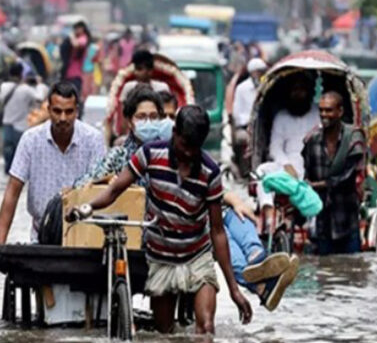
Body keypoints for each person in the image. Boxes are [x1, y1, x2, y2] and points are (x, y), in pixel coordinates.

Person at [76, 87, 299, 311]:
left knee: (234, 216)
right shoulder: (125, 155)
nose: (149, 123)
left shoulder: (190, 152)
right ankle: (260, 282)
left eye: (154, 117)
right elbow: (91, 184)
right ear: (130, 121)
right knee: (215, 230)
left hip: (194, 217)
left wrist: (233, 199)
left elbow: (210, 184)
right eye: (142, 117)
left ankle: (257, 257)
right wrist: (103, 186)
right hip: (160, 228)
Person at [67, 106, 253, 335]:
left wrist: (234, 289)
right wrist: (88, 207)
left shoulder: (210, 172)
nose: (188, 154)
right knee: (164, 334)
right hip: (161, 256)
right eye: (184, 145)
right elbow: (115, 189)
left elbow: (217, 232)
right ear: (174, 133)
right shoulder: (150, 154)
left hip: (197, 256)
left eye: (194, 149)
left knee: (206, 327)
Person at [0, 82, 106, 262]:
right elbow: (12, 192)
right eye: (57, 111)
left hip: (83, 233)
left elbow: (101, 188)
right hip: (42, 234)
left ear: (77, 111)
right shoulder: (30, 140)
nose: (63, 118)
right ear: (48, 110)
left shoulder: (93, 140)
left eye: (69, 112)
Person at [302, 91, 367, 254]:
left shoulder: (353, 137)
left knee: (352, 268)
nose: (324, 115)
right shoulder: (312, 140)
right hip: (322, 220)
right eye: (322, 110)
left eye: (329, 110)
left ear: (340, 112)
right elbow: (308, 171)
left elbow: (348, 175)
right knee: (325, 271)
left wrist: (319, 185)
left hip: (346, 217)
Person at [256, 76, 320, 231]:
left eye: (301, 90)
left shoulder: (318, 113)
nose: (298, 94)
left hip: (312, 165)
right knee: (261, 172)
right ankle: (268, 214)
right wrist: (286, 165)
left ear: (309, 92)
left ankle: (313, 227)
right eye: (294, 90)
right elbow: (275, 148)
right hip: (286, 166)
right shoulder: (281, 116)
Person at [1, 62, 44, 174]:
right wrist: (38, 84)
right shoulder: (26, 90)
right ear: (21, 74)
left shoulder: (4, 87)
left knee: (8, 159)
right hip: (20, 128)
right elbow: (39, 98)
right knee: (20, 160)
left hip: (7, 126)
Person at [231, 58, 267, 177]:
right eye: (257, 72)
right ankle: (245, 171)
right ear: (251, 73)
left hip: (263, 125)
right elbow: (237, 113)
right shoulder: (242, 88)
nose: (260, 75)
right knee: (244, 139)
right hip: (246, 127)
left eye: (262, 72)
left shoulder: (266, 86)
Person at [60, 21, 92, 100]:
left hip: (76, 75)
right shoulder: (75, 38)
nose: (76, 30)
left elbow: (76, 44)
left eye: (78, 28)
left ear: (83, 29)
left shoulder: (83, 38)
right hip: (68, 74)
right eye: (75, 28)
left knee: (74, 98)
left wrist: (71, 36)